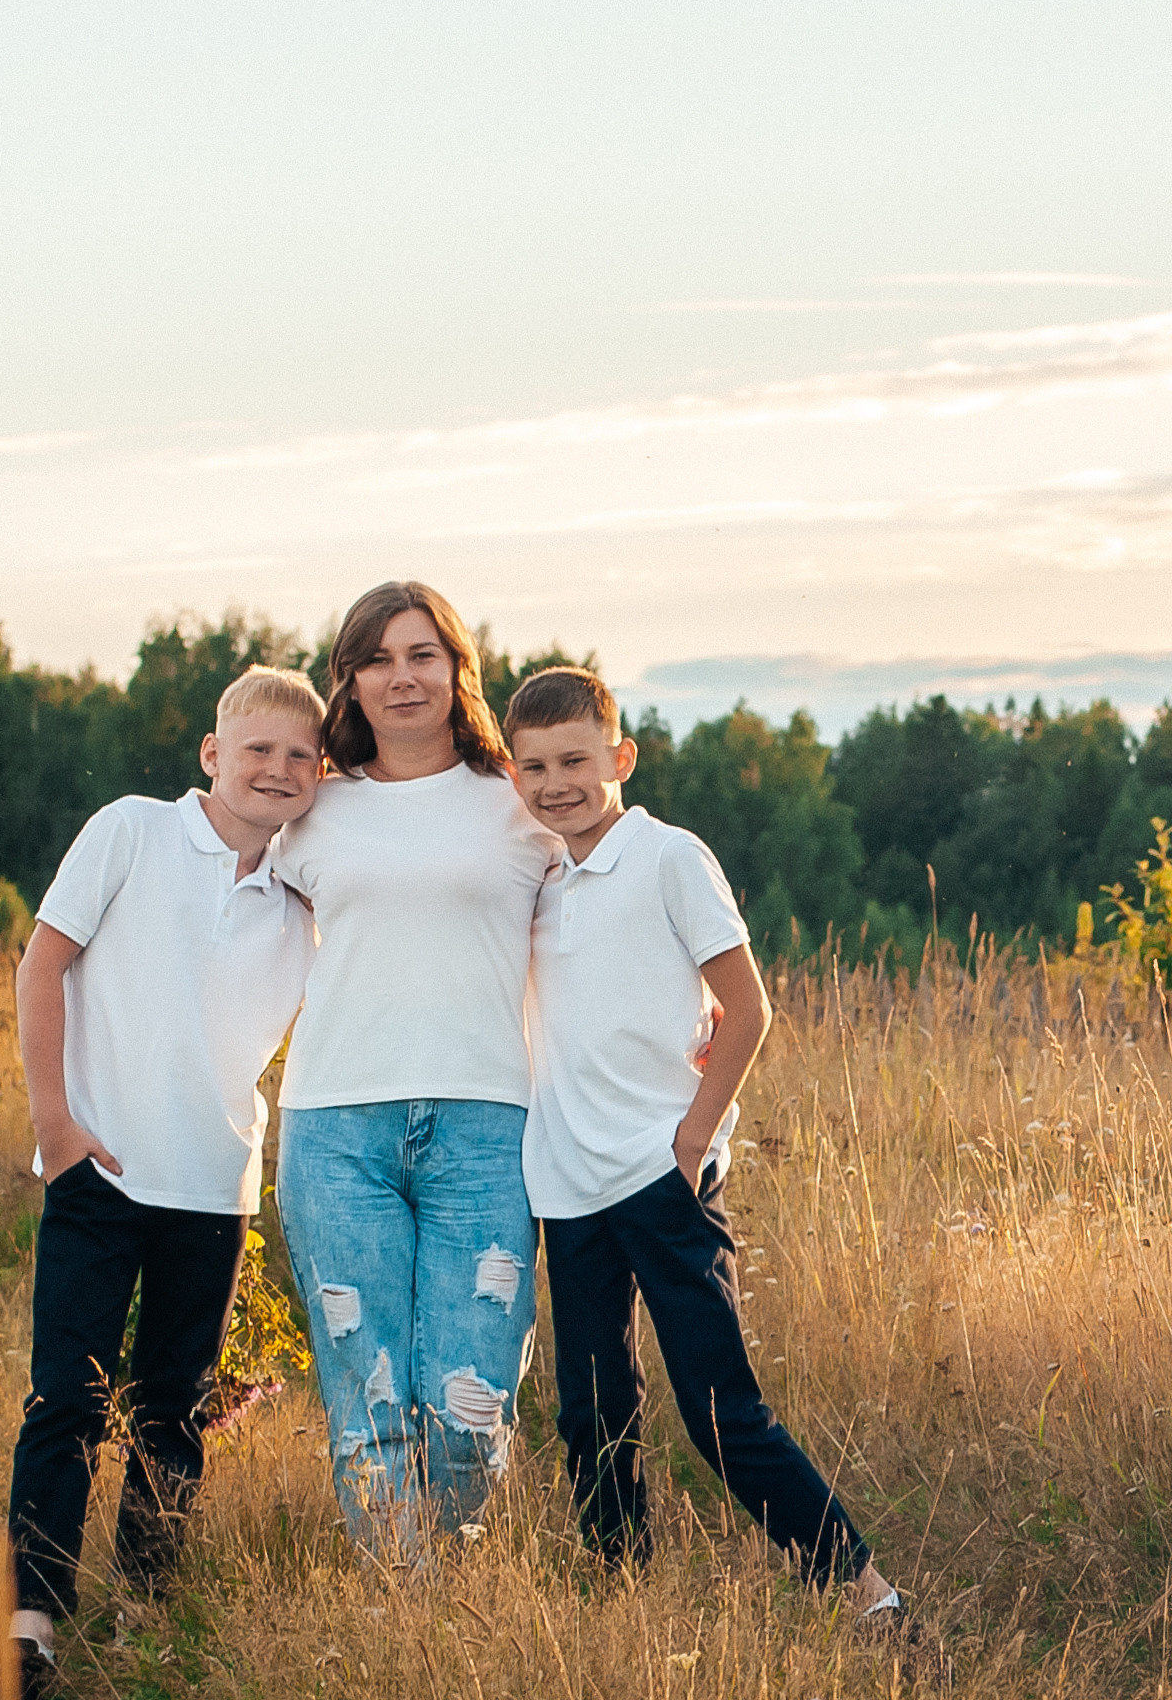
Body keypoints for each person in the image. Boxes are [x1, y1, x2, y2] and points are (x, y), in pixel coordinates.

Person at [506, 665, 905, 1624]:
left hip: (659, 1174)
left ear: (622, 758)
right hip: (568, 1187)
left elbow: (750, 1007)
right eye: (533, 769)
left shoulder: (669, 857)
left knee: (721, 1412)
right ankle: (620, 1605)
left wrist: (692, 1138)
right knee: (592, 1416)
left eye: (575, 761)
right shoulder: (535, 879)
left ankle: (869, 1598)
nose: (556, 784)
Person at [5, 666, 323, 1700]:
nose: (276, 770)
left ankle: (147, 1607)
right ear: (212, 753)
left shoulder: (306, 897)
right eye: (258, 749)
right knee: (68, 1398)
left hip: (212, 1184)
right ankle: (32, 1622)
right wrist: (54, 1123)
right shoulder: (131, 832)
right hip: (100, 1165)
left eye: (299, 757)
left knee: (172, 1409)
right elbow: (41, 965)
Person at [273, 581, 562, 1559]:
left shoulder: (522, 804)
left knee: (470, 1407)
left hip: (486, 1131)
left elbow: (606, 932)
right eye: (379, 658)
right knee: (369, 1398)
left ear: (456, 670)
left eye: (423, 654)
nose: (402, 676)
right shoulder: (306, 810)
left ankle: (458, 1594)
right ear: (348, 680)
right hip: (334, 1130)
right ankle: (407, 1612)